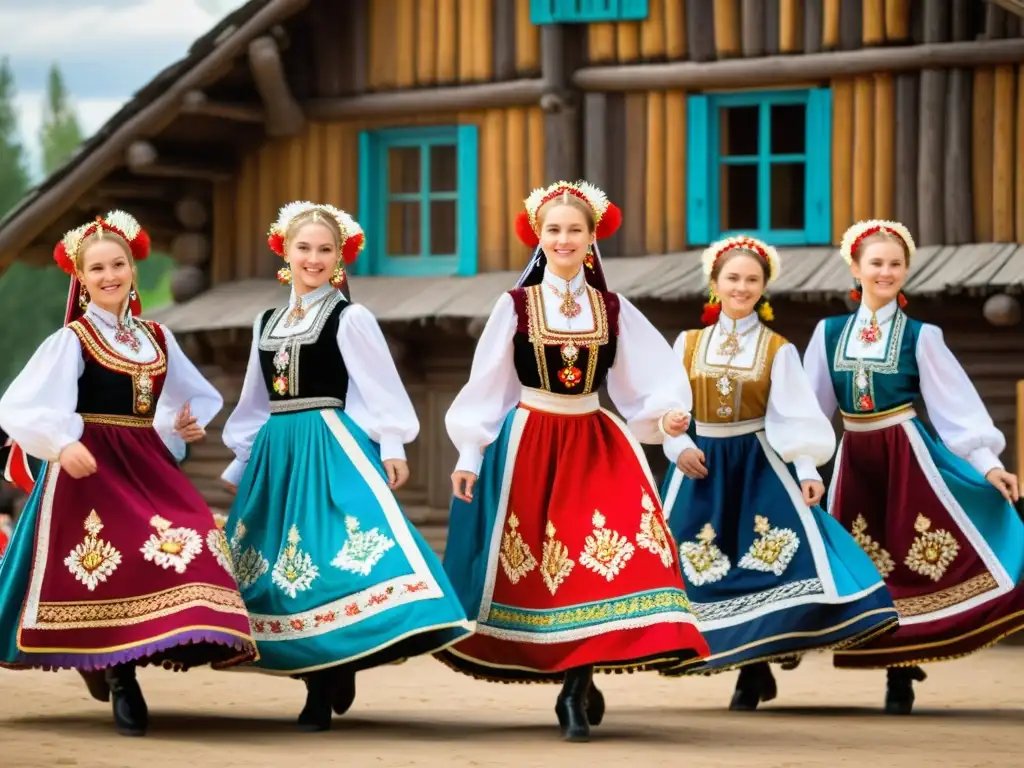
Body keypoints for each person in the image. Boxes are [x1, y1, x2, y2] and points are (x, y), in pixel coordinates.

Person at [437, 181, 709, 743]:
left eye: (574, 230)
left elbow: (649, 378)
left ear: (592, 239)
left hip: (594, 441)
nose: (564, 239)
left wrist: (668, 420)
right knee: (544, 570)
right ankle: (574, 674)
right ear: (540, 236)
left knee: (602, 557)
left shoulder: (612, 307)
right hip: (529, 443)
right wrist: (470, 450)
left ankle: (575, 684)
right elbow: (488, 385)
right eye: (554, 230)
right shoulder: (514, 305)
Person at [0, 211, 257, 737]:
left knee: (198, 542)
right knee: (108, 562)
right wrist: (62, 443)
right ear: (82, 277)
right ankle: (120, 678)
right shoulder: (72, 340)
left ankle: (116, 660)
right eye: (97, 268)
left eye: (118, 264)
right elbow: (20, 406)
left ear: (133, 270)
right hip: (90, 466)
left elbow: (189, 396)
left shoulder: (156, 337)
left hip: (145, 464)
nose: (109, 275)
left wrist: (180, 425)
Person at [221, 201, 471, 732]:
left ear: (339, 258)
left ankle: (324, 681)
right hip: (277, 453)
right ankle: (327, 668)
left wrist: (392, 446)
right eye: (304, 247)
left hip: (330, 446)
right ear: (284, 252)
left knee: (327, 560)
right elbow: (255, 398)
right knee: (273, 573)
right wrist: (242, 457)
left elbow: (378, 385)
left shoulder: (349, 317)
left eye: (324, 249)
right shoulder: (265, 322)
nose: (313, 258)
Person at [657, 235, 899, 709]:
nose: (741, 287)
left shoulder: (778, 349)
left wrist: (807, 467)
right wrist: (677, 443)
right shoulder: (686, 344)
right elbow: (667, 408)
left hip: (756, 464)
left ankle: (752, 670)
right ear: (714, 282)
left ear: (764, 287)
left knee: (762, 563)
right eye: (733, 278)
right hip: (700, 468)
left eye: (752, 280)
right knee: (701, 563)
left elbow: (793, 414)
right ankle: (745, 666)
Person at [804, 219, 1023, 714]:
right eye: (876, 263)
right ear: (855, 269)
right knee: (866, 562)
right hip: (854, 459)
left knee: (908, 558)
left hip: (909, 460)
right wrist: (803, 467)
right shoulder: (828, 332)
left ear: (906, 271)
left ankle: (901, 673)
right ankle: (889, 663)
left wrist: (987, 464)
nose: (886, 272)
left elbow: (955, 408)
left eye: (895, 264)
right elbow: (812, 407)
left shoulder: (922, 335)